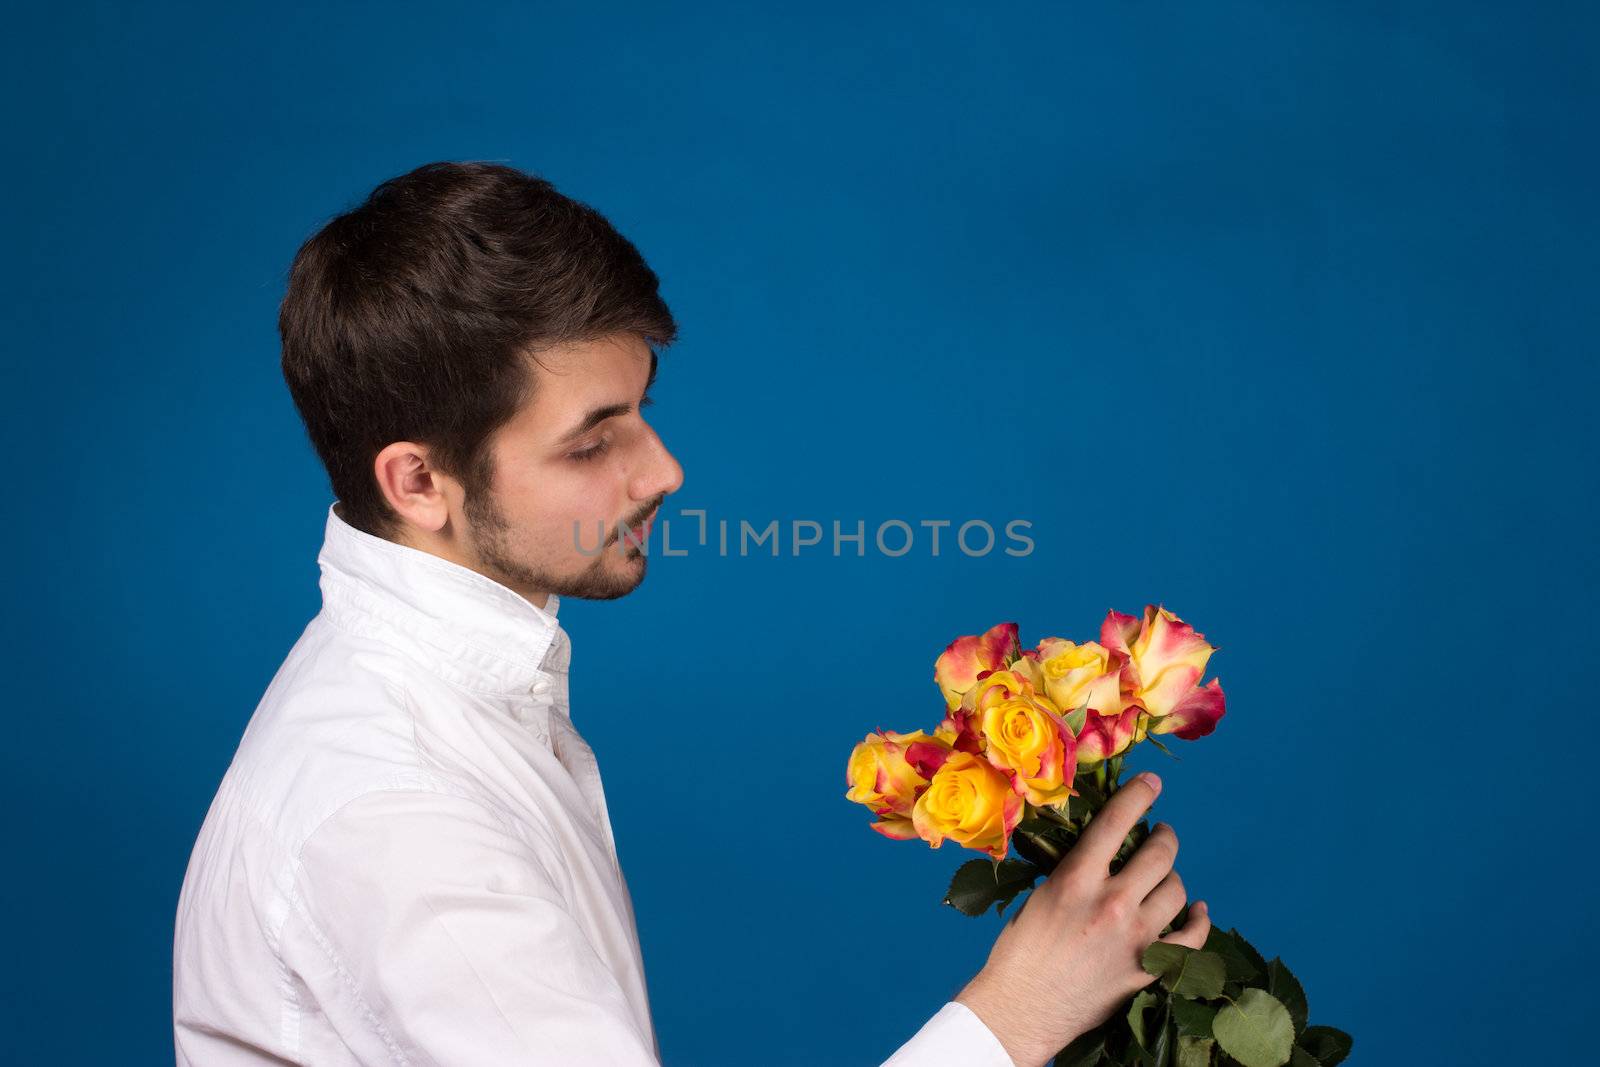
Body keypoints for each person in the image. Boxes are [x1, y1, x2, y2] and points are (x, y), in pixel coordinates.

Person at [171, 161, 1211, 1067]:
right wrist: (1012, 1016)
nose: (662, 470)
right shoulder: (397, 811)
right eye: (591, 442)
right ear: (417, 481)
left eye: (644, 411)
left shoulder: (442, 701)